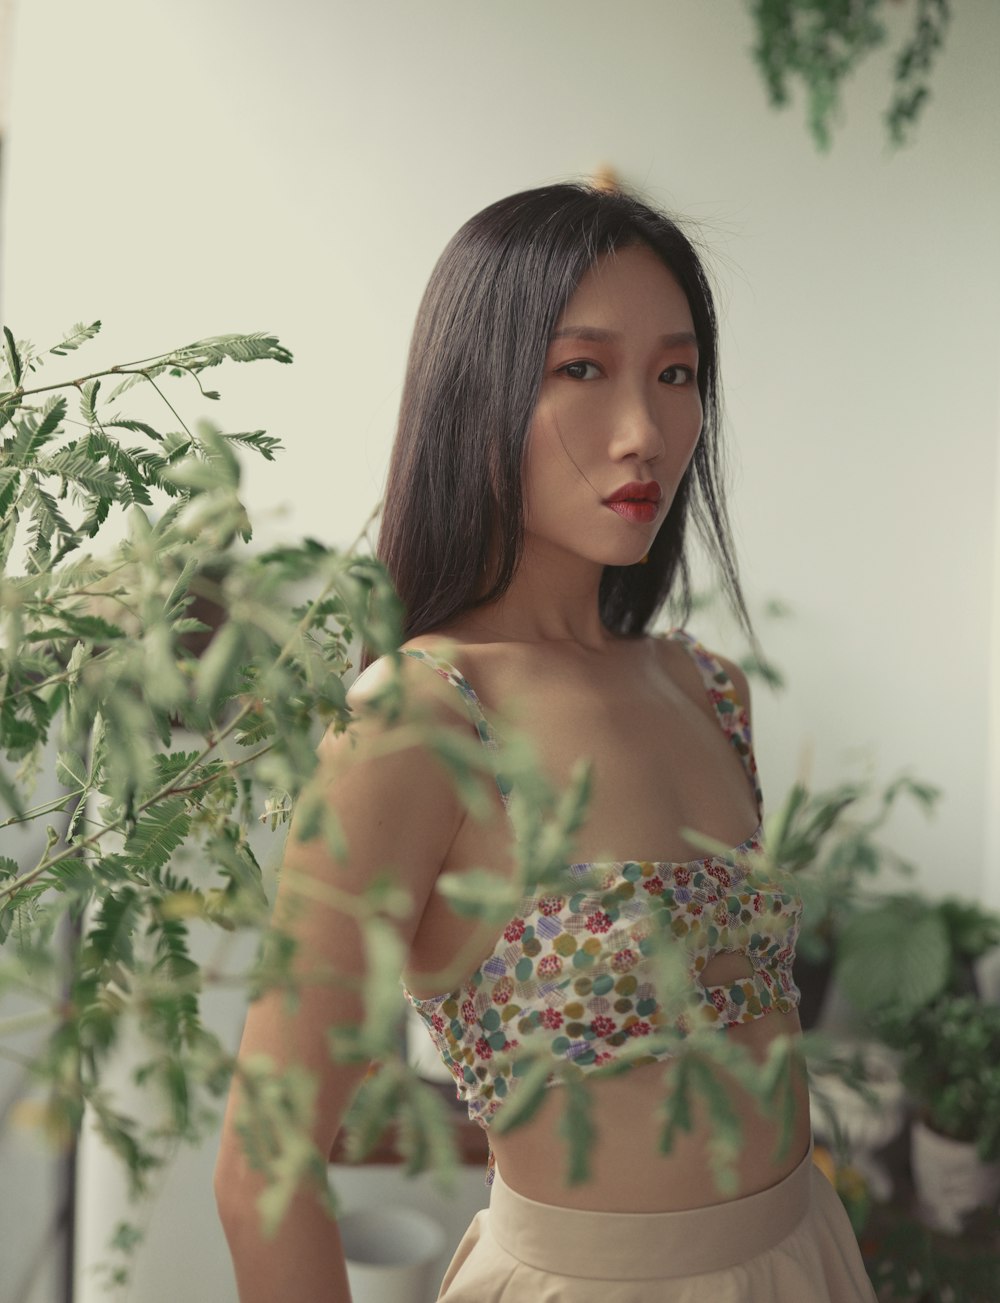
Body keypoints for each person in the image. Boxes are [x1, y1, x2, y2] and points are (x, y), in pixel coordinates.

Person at [214, 182, 878, 1301]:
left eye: (675, 374)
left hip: (807, 1258)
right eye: (582, 368)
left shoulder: (706, 688)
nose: (644, 429)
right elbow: (264, 1166)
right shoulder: (416, 718)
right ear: (480, 388)